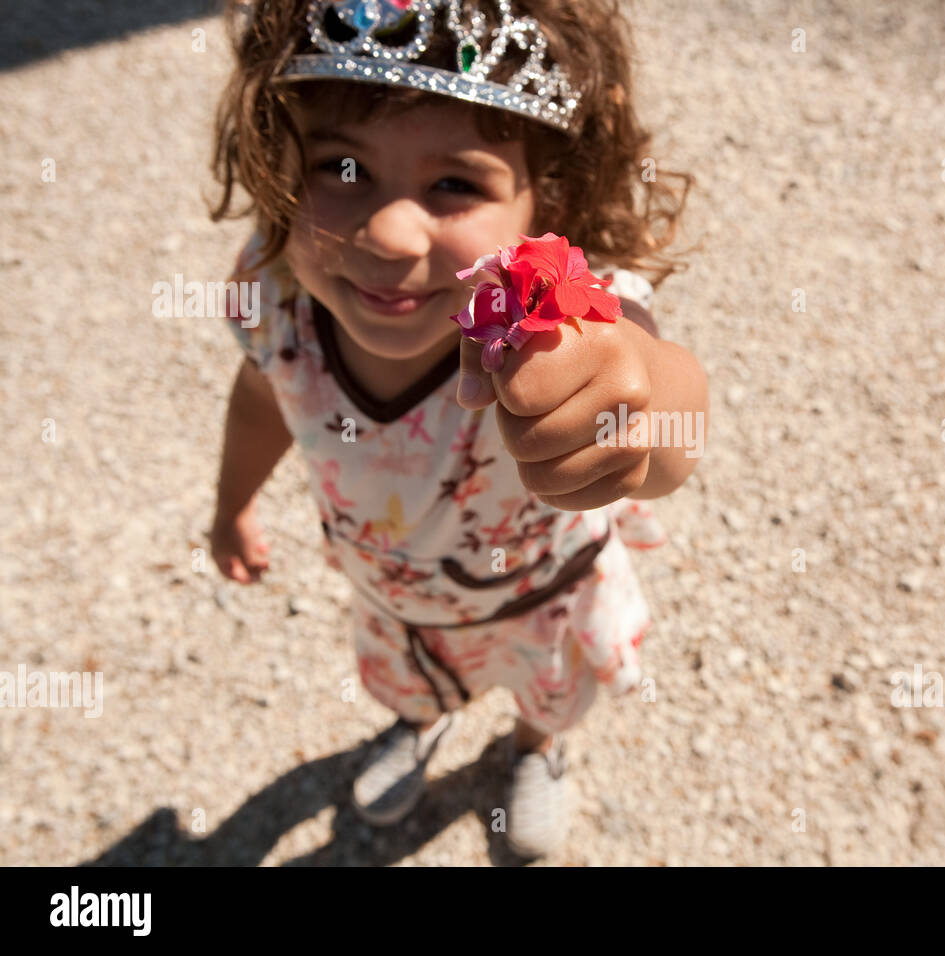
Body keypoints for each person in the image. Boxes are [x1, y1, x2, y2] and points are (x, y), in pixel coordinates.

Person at [206, 0, 708, 860]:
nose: (392, 233)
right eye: (342, 167)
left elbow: (665, 406)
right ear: (279, 165)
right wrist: (232, 506)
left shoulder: (557, 320)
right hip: (395, 599)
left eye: (455, 184)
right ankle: (422, 724)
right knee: (414, 687)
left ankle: (534, 752)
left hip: (540, 603)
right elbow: (263, 398)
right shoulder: (280, 302)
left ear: (543, 202)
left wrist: (636, 401)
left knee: (546, 700)